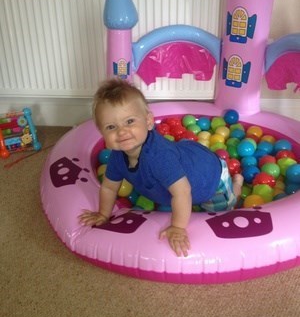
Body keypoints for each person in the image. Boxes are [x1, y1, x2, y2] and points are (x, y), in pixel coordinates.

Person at [79, 78, 243, 257]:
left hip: (209, 177)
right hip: (185, 159)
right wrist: (103, 215)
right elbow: (109, 187)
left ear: (149, 121)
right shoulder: (118, 156)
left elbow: (182, 192)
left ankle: (236, 185)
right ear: (101, 132)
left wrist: (177, 227)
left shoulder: (159, 157)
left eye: (129, 122)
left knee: (223, 209)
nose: (121, 132)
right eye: (111, 127)